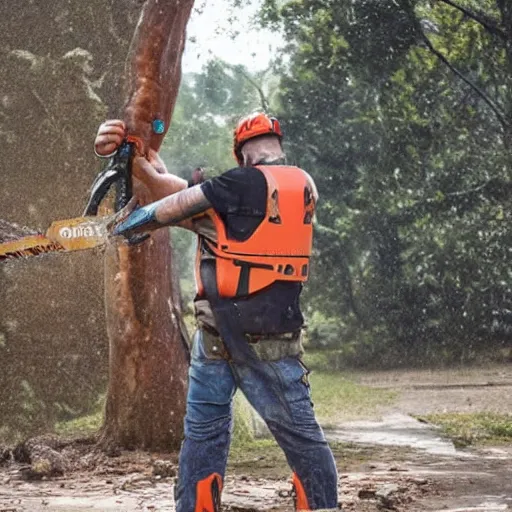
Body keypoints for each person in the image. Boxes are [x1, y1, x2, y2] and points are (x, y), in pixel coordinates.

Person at [94, 113, 339, 512]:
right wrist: (139, 157)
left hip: (223, 341)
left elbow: (168, 204)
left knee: (204, 441)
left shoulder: (238, 184)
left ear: (240, 154)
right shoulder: (298, 188)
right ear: (277, 145)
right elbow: (182, 195)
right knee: (304, 441)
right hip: (267, 341)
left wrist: (118, 227)